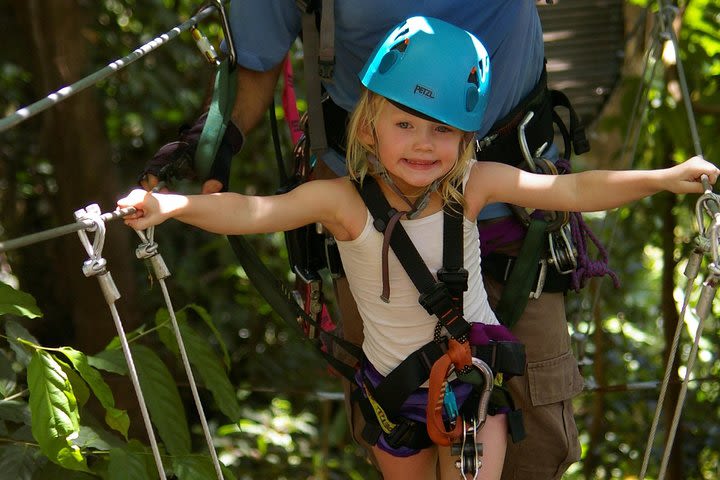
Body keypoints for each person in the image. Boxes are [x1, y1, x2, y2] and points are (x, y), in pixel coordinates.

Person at [123, 16, 719, 480]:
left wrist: (663, 177)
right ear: (368, 127)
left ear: (466, 138)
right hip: (391, 395)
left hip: (473, 379)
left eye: (441, 129)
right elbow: (255, 211)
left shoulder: (476, 182)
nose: (422, 145)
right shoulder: (340, 201)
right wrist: (172, 206)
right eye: (405, 125)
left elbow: (569, 189)